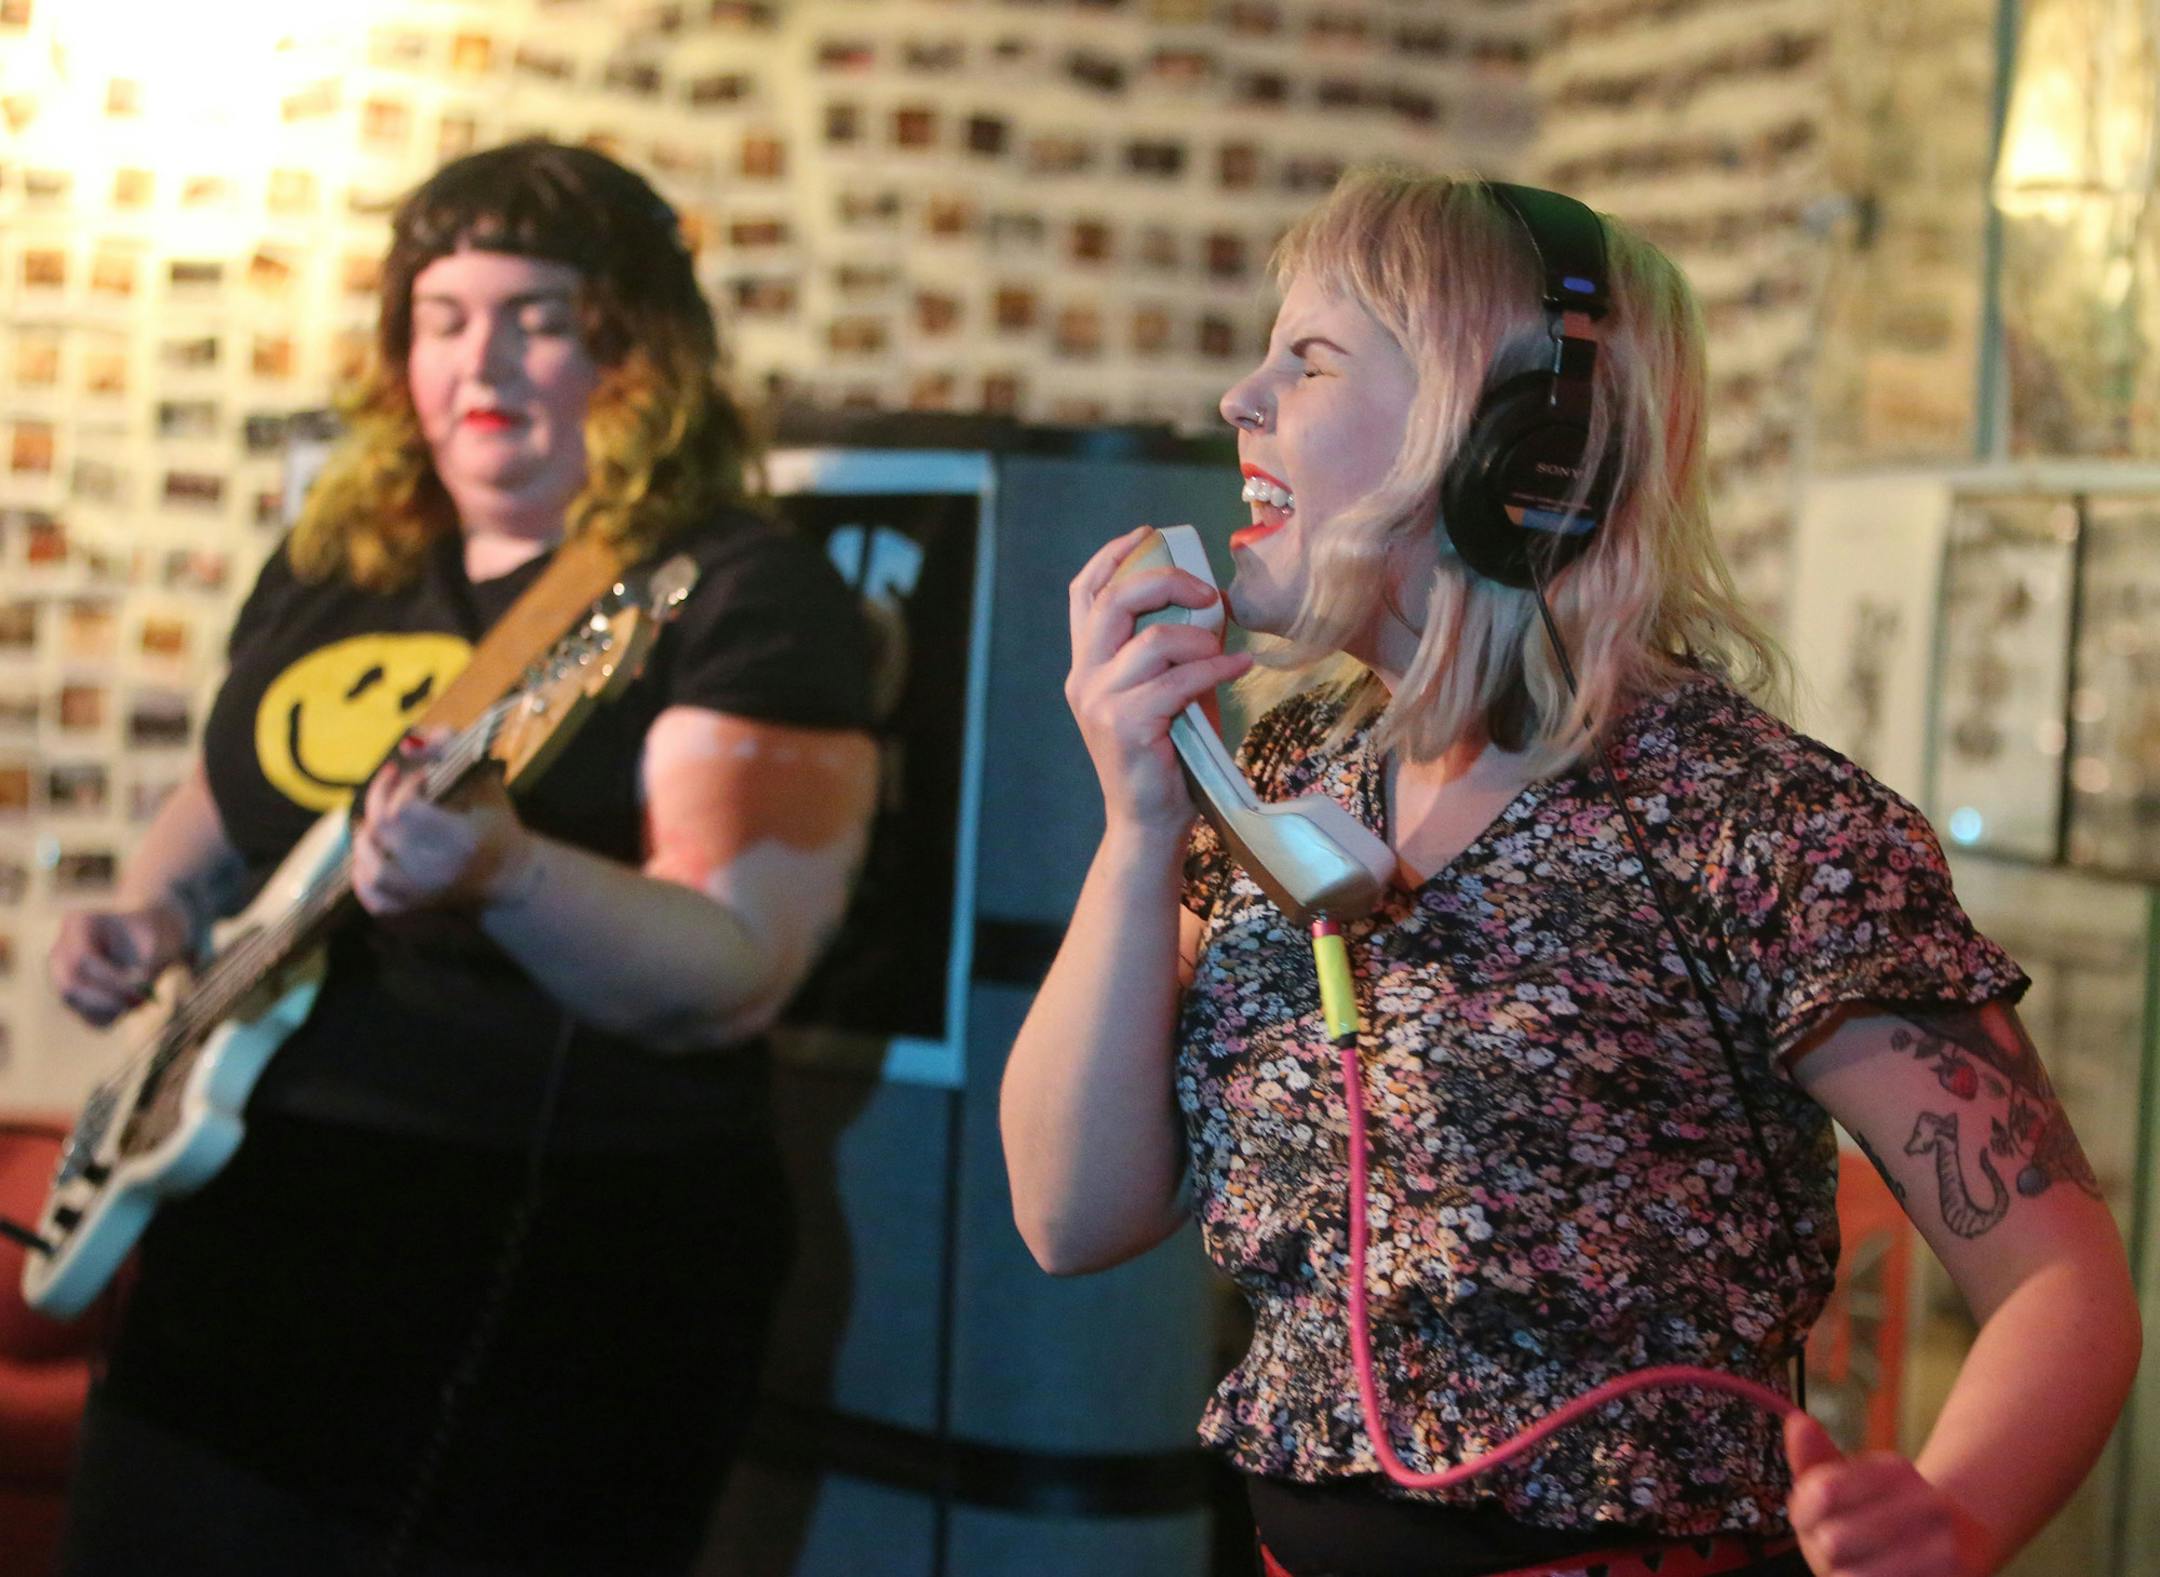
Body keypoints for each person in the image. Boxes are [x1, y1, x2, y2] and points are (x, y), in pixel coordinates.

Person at [1001, 167, 2140, 1577]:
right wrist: (1136, 823)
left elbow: (2058, 1278)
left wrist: (1958, 1515)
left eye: (1307, 359)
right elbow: (1067, 1210)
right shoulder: (1284, 773)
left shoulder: (1753, 822)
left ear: (1512, 444)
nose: (1241, 399)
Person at [47, 140, 877, 1576]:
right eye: (441, 316)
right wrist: (143, 909)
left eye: (538, 316)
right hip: (243, 1240)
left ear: (641, 350)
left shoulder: (733, 589)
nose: (478, 357)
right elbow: (227, 800)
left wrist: (508, 873)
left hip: (547, 1274)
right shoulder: (345, 554)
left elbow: (735, 967)